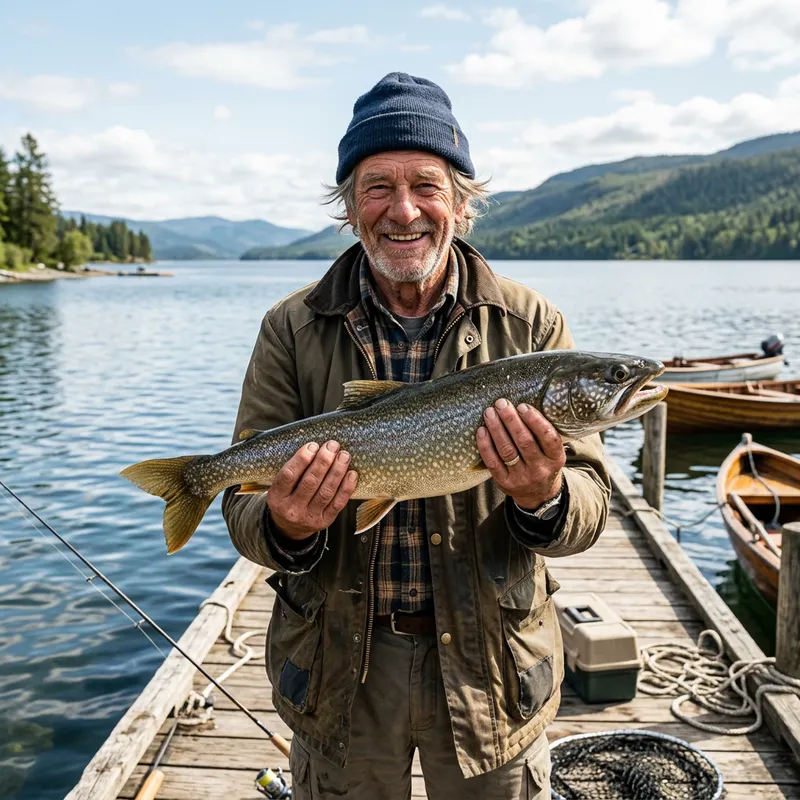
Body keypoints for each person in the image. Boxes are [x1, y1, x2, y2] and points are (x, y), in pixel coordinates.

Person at [223, 72, 610, 799]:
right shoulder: (289, 329)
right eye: (376, 187)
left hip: (492, 670)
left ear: (462, 204)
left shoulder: (532, 328)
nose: (403, 211)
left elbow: (587, 514)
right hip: (340, 670)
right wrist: (284, 523)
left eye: (426, 186)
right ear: (348, 208)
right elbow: (243, 516)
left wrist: (544, 495)